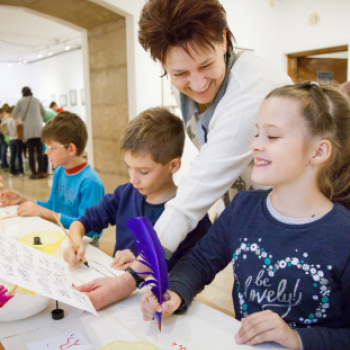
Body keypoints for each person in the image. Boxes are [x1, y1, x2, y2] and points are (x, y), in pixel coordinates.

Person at [74, 0, 292, 310]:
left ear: (225, 40)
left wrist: (128, 281)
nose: (198, 83)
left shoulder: (249, 90)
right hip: (251, 212)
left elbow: (194, 194)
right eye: (180, 73)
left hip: (292, 217)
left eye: (206, 65)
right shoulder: (188, 84)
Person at [141, 83, 350, 350]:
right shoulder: (242, 208)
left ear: (318, 152)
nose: (255, 146)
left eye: (272, 137)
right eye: (257, 134)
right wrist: (176, 292)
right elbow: (200, 261)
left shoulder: (343, 235)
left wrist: (297, 338)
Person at [63, 107, 211, 271]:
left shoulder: (191, 214)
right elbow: (83, 222)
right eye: (129, 167)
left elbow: (192, 277)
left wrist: (142, 267)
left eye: (143, 171)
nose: (133, 179)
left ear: (174, 165)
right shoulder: (125, 194)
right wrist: (75, 241)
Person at [0, 112, 105, 242]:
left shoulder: (90, 182)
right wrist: (22, 199)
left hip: (84, 247)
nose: (45, 151)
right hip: (61, 237)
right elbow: (52, 206)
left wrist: (43, 213)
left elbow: (89, 229)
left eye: (50, 147)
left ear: (71, 149)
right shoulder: (59, 171)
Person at [12, 87, 46, 179]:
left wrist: (18, 122)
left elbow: (14, 113)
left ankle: (33, 173)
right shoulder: (36, 100)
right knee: (40, 152)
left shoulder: (20, 101)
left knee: (31, 153)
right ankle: (40, 172)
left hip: (28, 131)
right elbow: (44, 113)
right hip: (39, 129)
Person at [2, 106, 24, 176]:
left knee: (13, 156)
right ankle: (20, 171)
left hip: (11, 139)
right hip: (17, 139)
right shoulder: (16, 119)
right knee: (19, 155)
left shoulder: (8, 120)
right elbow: (18, 126)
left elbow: (1, 125)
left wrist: (7, 131)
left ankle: (12, 172)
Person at [0, 108, 9, 172]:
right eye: (3, 113)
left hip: (2, 138)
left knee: (2, 152)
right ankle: (4, 165)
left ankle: (4, 164)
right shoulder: (2, 121)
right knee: (3, 152)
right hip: (3, 138)